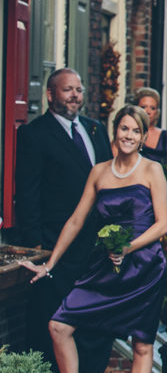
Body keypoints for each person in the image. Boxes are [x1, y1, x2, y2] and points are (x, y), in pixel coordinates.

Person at [20, 105, 167, 373]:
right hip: (105, 266)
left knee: (142, 345)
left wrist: (128, 247)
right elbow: (76, 221)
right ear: (115, 132)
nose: (129, 136)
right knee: (59, 326)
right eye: (124, 128)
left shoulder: (152, 170)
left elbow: (161, 225)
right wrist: (49, 264)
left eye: (136, 131)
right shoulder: (99, 172)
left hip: (144, 266)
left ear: (144, 137)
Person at [14, 68, 115, 372]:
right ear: (50, 95)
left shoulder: (95, 129)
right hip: (57, 246)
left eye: (79, 90)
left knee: (95, 325)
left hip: (96, 249)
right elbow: (28, 195)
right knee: (57, 322)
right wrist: (37, 247)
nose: (75, 96)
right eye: (67, 90)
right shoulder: (34, 134)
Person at [134, 87, 167, 182]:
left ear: (157, 112)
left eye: (152, 108)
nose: (148, 111)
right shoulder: (127, 135)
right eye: (143, 107)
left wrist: (162, 182)